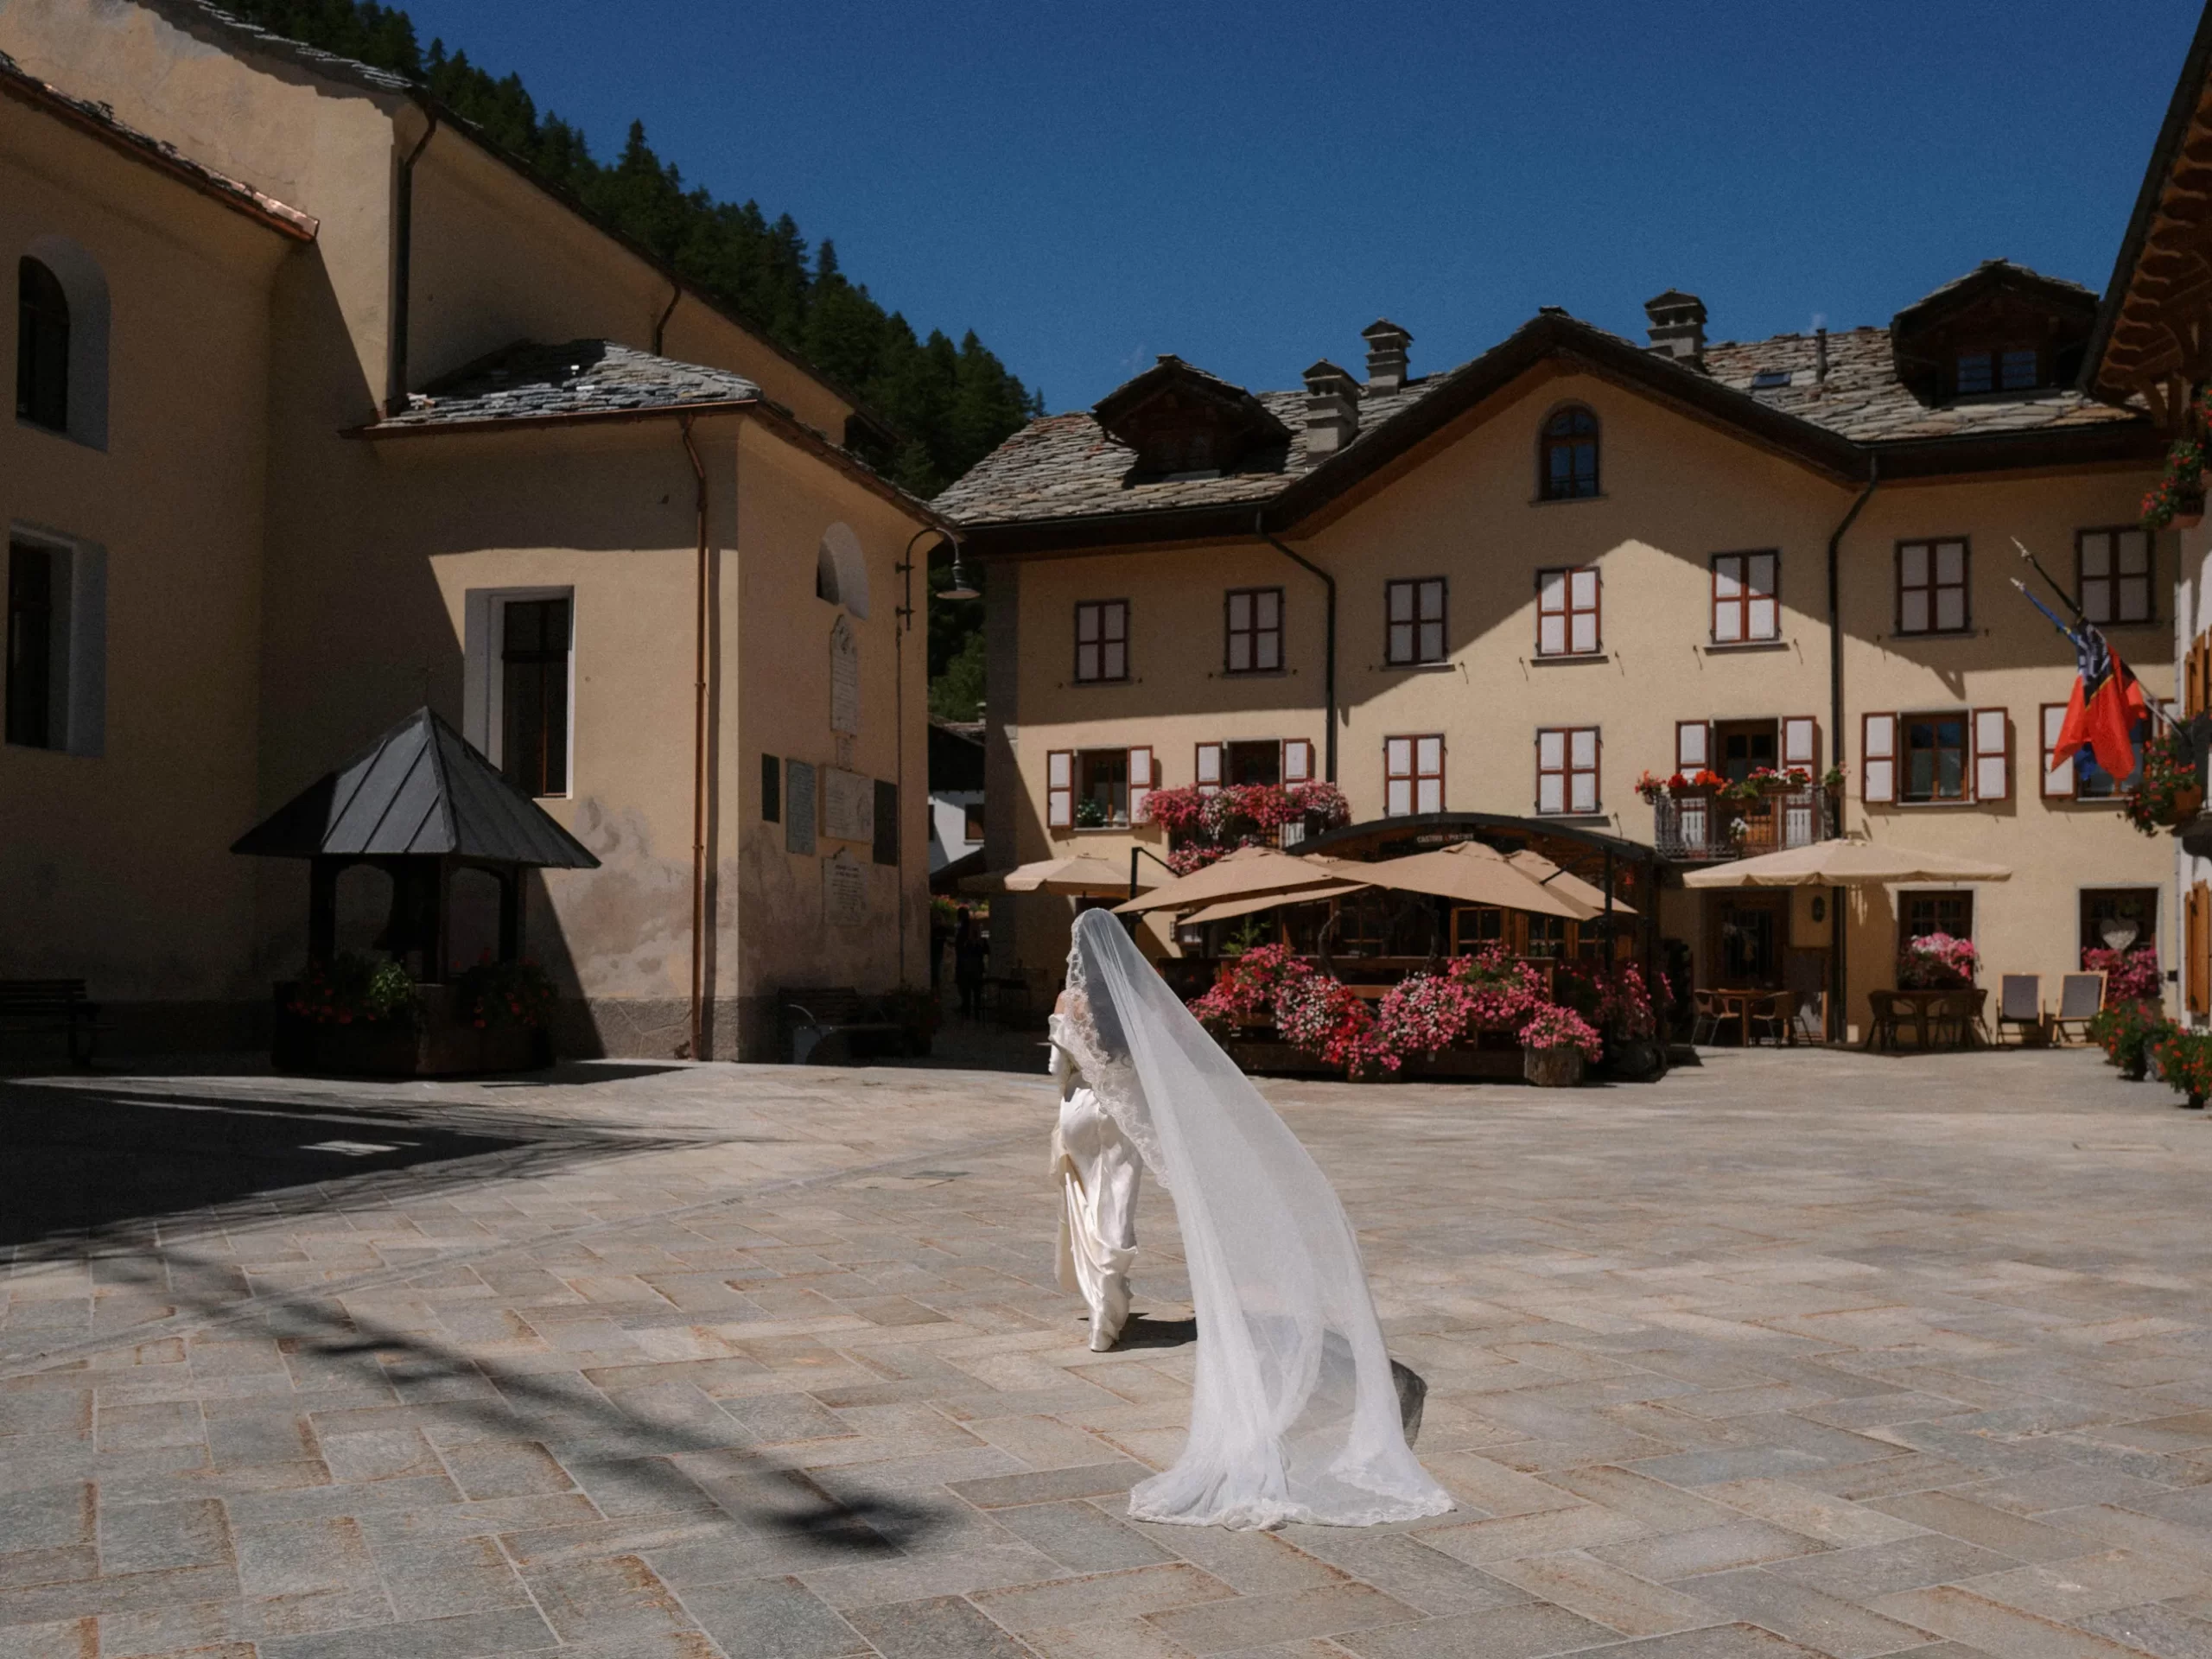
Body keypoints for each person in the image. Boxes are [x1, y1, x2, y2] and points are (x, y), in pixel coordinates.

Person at [1055, 908, 1453, 1530]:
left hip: (1084, 1111)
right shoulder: (1138, 1003)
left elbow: (1060, 1069)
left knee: (1095, 1209)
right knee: (1128, 1211)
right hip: (1134, 1120)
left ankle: (1109, 1315)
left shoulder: (1069, 1004)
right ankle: (1133, 1320)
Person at [1048, 984, 1141, 1351]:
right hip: (1122, 1108)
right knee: (1117, 1206)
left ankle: (1103, 1301)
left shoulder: (1068, 1000)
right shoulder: (1132, 996)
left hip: (1079, 1104)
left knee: (1085, 1199)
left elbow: (1057, 1067)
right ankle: (1104, 1310)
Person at [952, 907, 987, 1020]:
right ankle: (976, 1012)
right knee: (976, 991)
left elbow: (959, 948)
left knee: (966, 990)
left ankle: (967, 1011)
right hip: (977, 965)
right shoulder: (979, 932)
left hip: (965, 966)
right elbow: (986, 949)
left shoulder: (962, 930)